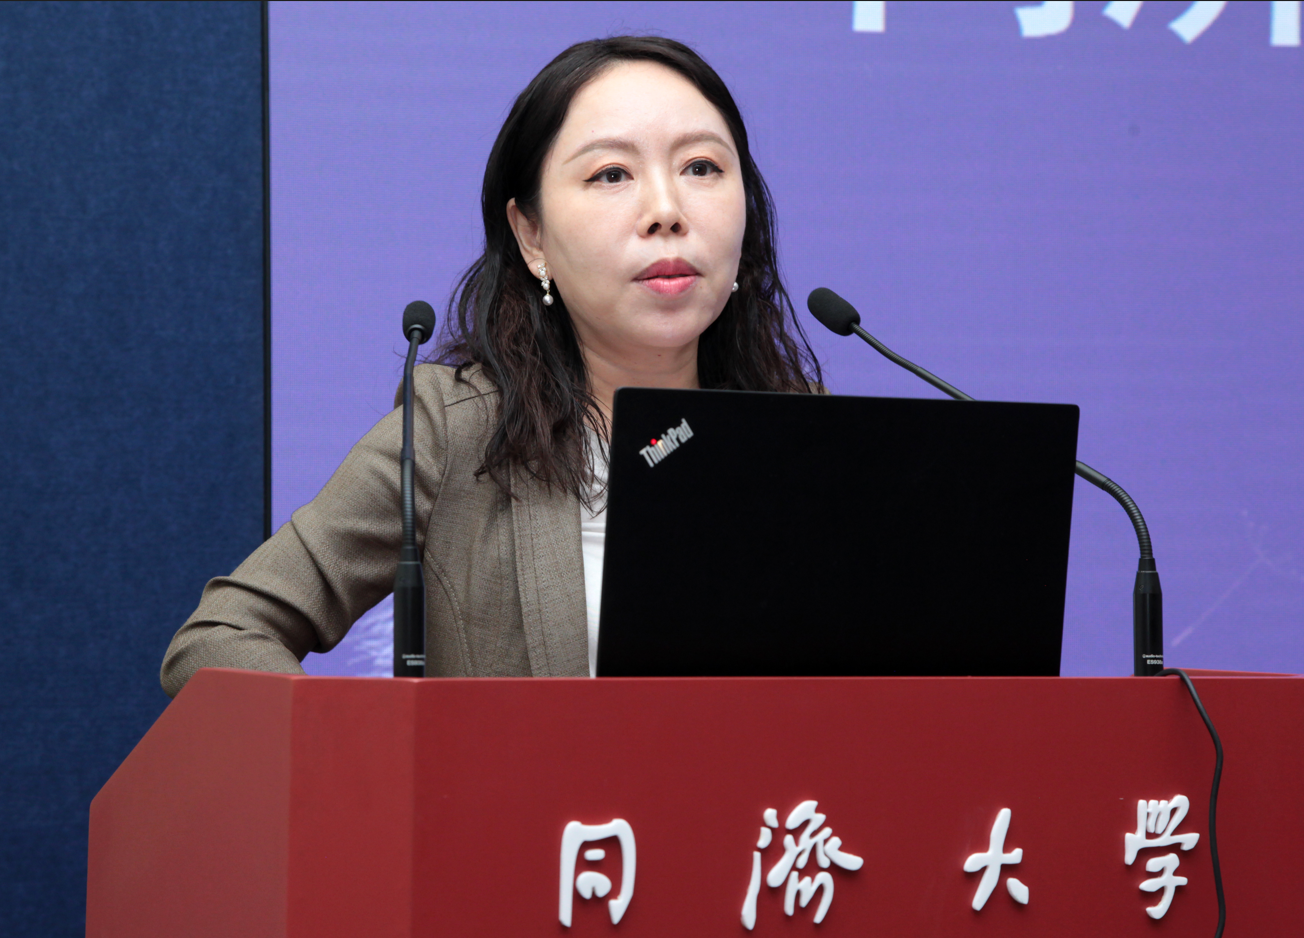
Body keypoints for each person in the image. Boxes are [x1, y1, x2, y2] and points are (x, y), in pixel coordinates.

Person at [160, 35, 821, 697]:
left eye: (702, 167)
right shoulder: (455, 432)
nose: (667, 212)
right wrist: (361, 746)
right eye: (611, 175)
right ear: (531, 235)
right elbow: (219, 638)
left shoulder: (807, 438)